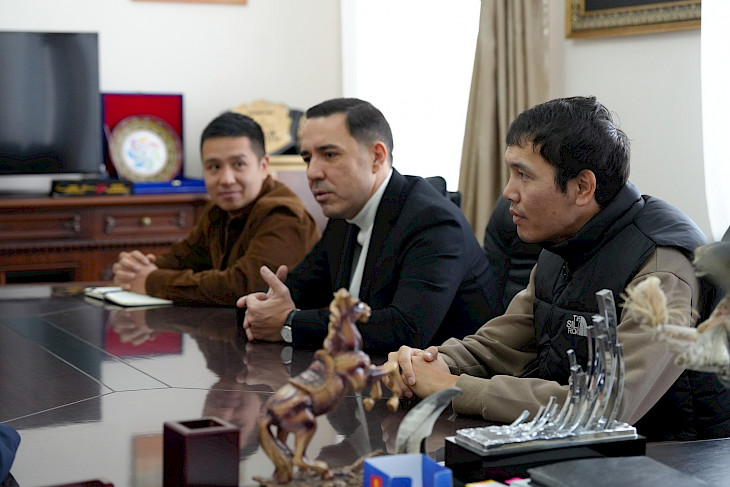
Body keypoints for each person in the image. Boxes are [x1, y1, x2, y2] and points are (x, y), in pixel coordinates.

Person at [386, 96, 730, 441]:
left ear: (582, 188)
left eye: (524, 175)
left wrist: (454, 387)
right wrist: (423, 364)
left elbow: (604, 407)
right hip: (579, 447)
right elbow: (499, 344)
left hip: (671, 456)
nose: (508, 192)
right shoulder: (565, 239)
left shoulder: (662, 268)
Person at [237, 98, 501, 353]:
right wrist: (260, 307)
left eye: (329, 154)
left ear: (376, 157)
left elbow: (405, 328)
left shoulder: (433, 221)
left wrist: (289, 323)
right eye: (307, 158)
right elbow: (300, 288)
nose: (313, 172)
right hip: (366, 373)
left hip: (454, 378)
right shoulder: (344, 214)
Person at [112, 112, 320, 306]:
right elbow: (183, 258)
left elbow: (243, 286)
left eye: (238, 164)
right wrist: (136, 268)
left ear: (263, 166)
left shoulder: (284, 215)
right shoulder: (219, 210)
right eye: (214, 167)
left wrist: (151, 280)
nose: (226, 179)